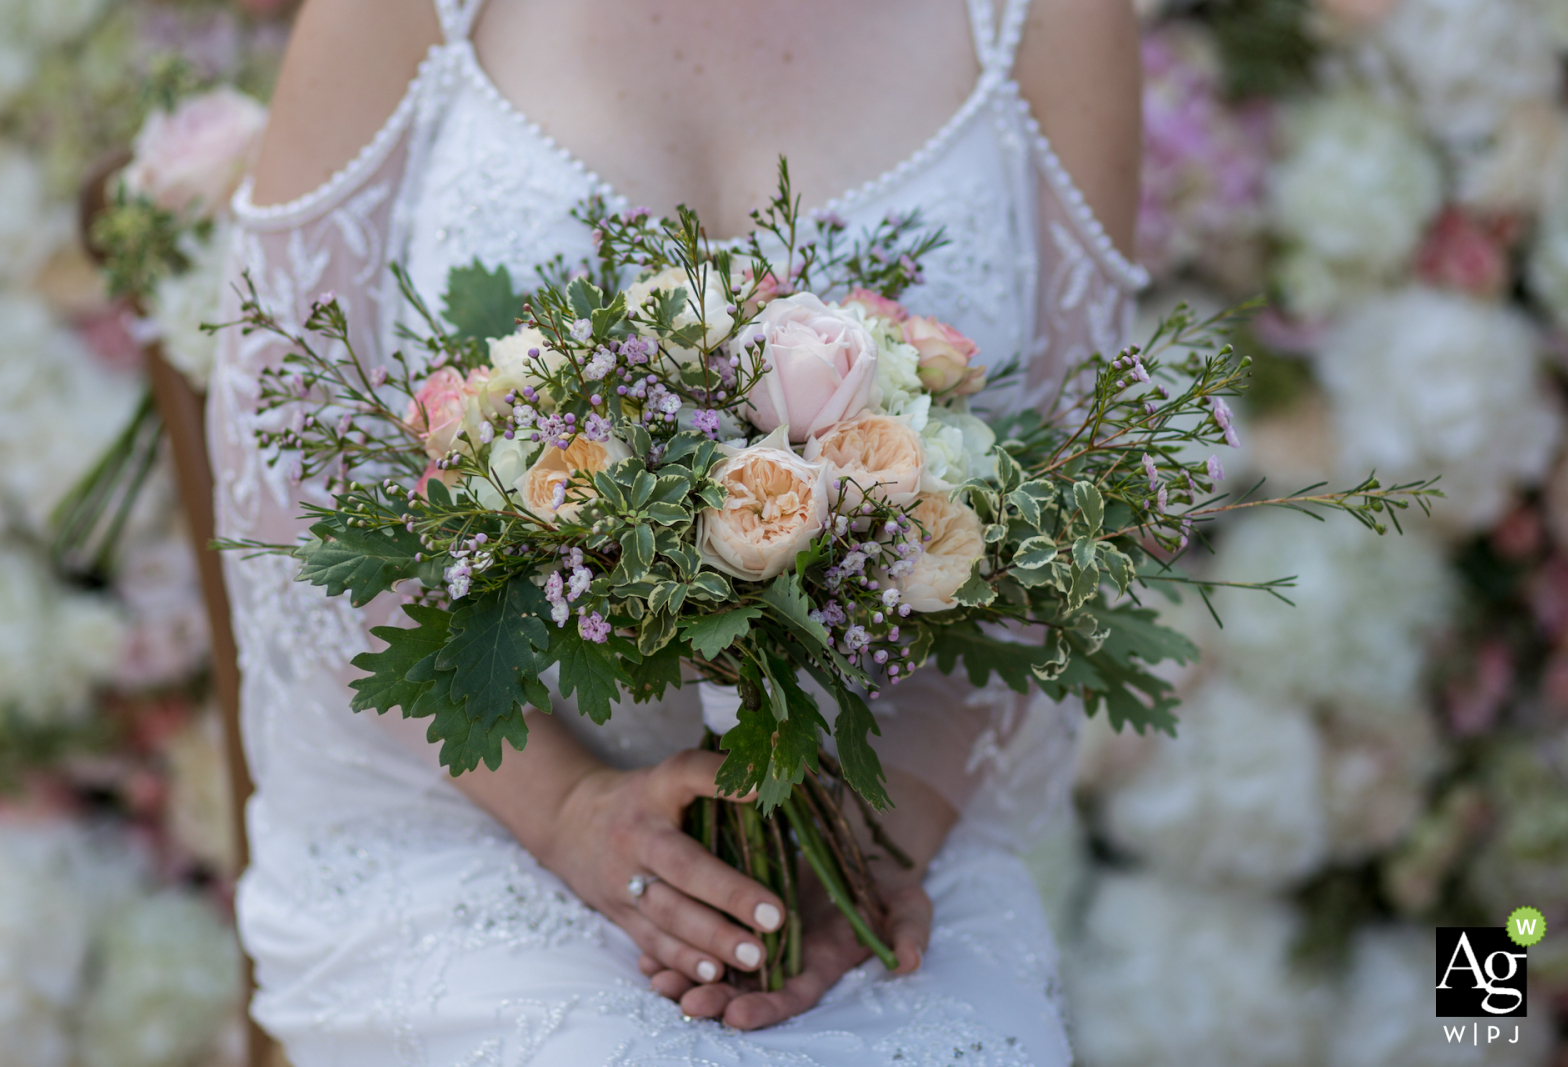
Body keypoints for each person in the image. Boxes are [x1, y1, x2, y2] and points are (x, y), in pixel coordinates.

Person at [210, 0, 1145, 1062]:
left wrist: (872, 842)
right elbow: (283, 459)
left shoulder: (1049, 21)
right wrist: (565, 805)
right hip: (471, 807)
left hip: (879, 829)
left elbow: (1074, 497)